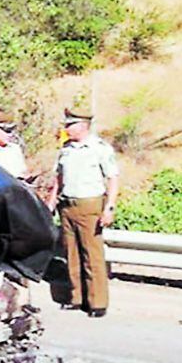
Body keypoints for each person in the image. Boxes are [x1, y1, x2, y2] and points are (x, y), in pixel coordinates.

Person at [47, 107, 120, 318]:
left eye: (71, 125)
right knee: (71, 253)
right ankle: (76, 297)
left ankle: (97, 302)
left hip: (90, 205)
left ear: (83, 126)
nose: (67, 128)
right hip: (67, 205)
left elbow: (113, 178)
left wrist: (110, 208)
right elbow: (58, 179)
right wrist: (51, 204)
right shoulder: (66, 149)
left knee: (92, 255)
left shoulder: (99, 148)